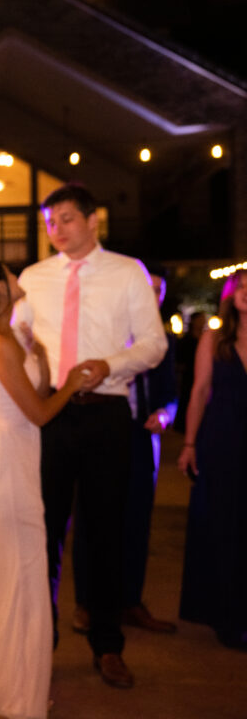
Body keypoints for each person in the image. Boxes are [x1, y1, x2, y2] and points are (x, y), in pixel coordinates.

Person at [15, 183, 166, 689]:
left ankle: (107, 645)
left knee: (105, 532)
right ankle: (41, 644)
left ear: (92, 220)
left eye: (66, 219)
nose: (56, 229)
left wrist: (110, 364)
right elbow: (16, 340)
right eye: (49, 222)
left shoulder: (127, 272)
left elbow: (154, 344)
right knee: (44, 531)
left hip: (107, 413)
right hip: (52, 414)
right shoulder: (33, 277)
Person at [0, 258, 84, 719]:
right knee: (21, 566)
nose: (15, 276)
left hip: (14, 457)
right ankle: (12, 684)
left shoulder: (12, 335)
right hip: (2, 461)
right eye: (8, 274)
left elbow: (34, 391)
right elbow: (40, 413)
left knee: (2, 565)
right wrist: (74, 382)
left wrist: (39, 352)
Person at [72, 270, 178, 634]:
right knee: (92, 516)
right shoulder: (108, 333)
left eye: (158, 291)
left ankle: (130, 601)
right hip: (102, 430)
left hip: (140, 435)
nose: (152, 296)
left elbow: (171, 392)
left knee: (137, 518)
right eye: (147, 288)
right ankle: (86, 603)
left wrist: (165, 413)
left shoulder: (161, 340)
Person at [178, 269, 247, 650]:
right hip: (222, 439)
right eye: (241, 287)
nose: (246, 293)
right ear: (231, 296)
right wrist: (189, 443)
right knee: (223, 524)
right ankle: (226, 614)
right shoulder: (213, 339)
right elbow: (200, 391)